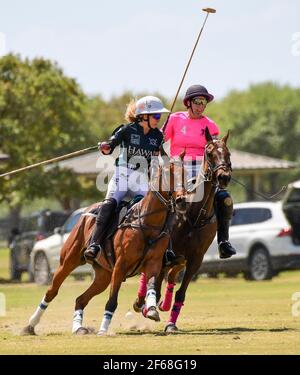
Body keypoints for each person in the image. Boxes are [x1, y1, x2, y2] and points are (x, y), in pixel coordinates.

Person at [84, 96, 172, 262]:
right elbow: (111, 146)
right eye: (156, 116)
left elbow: (160, 158)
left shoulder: (157, 136)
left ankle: (165, 250)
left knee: (158, 205)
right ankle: (94, 243)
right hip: (122, 175)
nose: (158, 120)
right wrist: (105, 147)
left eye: (160, 117)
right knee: (109, 204)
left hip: (140, 179)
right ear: (143, 116)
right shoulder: (127, 130)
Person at [163, 84, 236, 259]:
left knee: (224, 199)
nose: (201, 106)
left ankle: (224, 242)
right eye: (197, 101)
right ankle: (163, 244)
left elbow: (217, 150)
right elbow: (160, 140)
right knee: (168, 199)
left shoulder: (210, 124)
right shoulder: (174, 119)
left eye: (204, 102)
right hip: (178, 165)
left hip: (203, 167)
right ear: (189, 102)